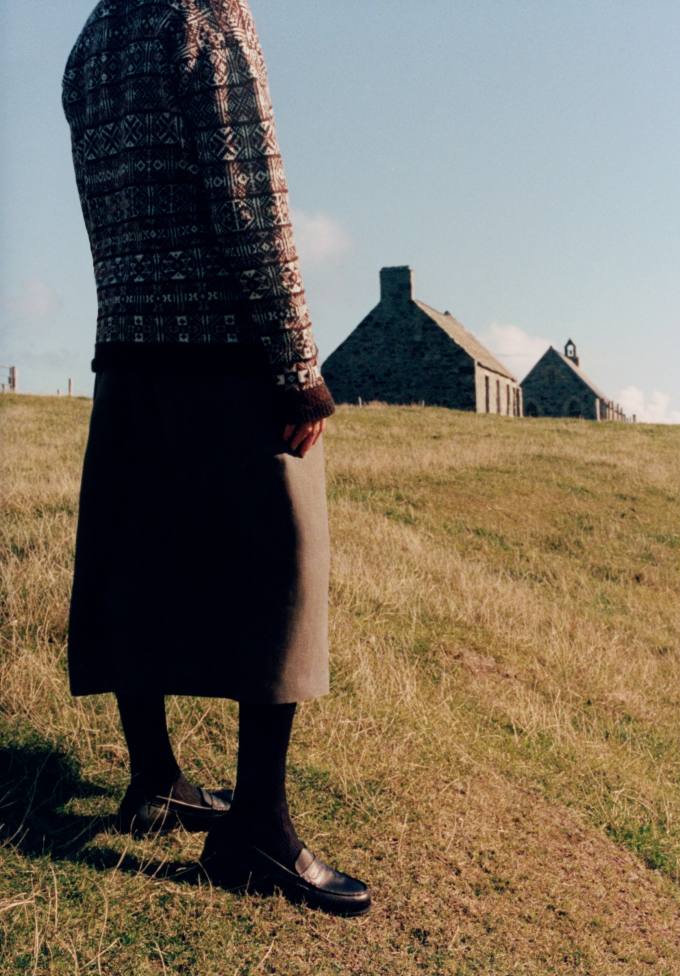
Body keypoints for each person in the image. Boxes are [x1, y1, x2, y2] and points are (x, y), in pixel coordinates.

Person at [61, 0, 370, 916]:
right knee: (285, 567)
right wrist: (297, 368)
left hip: (129, 351)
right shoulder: (207, 16)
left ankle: (156, 779)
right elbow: (254, 200)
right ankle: (257, 831)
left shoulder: (95, 35)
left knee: (138, 565)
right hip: (227, 357)